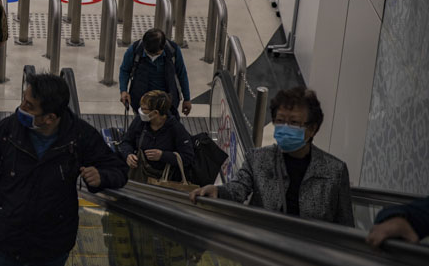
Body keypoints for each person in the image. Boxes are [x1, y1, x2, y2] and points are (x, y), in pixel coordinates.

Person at [0, 73, 129, 266]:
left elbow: (119, 170)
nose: (21, 108)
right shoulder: (6, 132)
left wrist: (102, 177)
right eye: (23, 100)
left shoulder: (79, 136)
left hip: (51, 248)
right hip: (7, 243)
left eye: (29, 106)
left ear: (51, 118)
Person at [190, 86, 354, 226]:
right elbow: (237, 189)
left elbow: (345, 228)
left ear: (312, 129)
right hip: (265, 254)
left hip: (312, 258)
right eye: (280, 121)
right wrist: (218, 191)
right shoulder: (258, 159)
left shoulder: (334, 171)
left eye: (294, 123)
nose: (285, 128)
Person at [118, 90, 195, 182]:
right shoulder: (139, 121)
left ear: (155, 113)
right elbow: (126, 142)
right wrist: (128, 154)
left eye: (144, 109)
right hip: (140, 176)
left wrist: (163, 156)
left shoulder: (176, 129)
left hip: (166, 181)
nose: (140, 111)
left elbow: (188, 157)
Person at [119, 28, 191, 118]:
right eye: (149, 53)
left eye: (156, 54)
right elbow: (124, 70)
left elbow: (182, 74)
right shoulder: (135, 50)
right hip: (141, 103)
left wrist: (187, 99)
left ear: (163, 47)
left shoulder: (173, 51)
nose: (152, 56)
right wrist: (123, 90)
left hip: (167, 104)